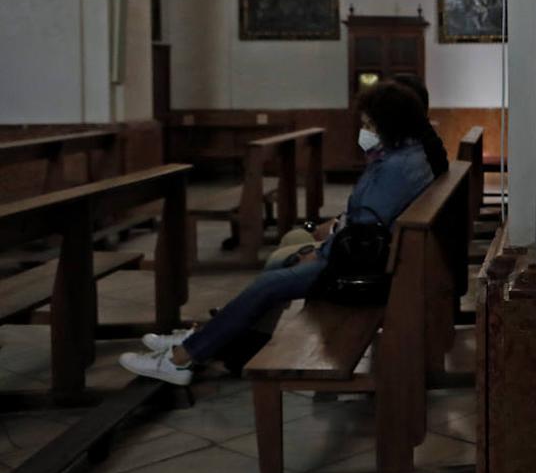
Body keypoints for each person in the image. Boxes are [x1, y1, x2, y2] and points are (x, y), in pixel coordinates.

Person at [119, 81, 438, 386]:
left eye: (370, 124)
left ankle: (180, 360)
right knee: (276, 273)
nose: (365, 131)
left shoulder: (394, 168)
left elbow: (364, 230)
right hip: (369, 260)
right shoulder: (404, 156)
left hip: (361, 273)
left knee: (271, 282)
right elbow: (365, 221)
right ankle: (215, 342)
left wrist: (321, 251)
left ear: (390, 124)